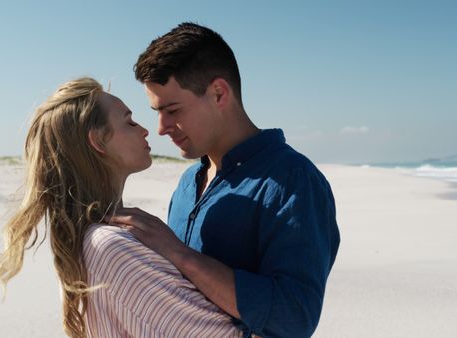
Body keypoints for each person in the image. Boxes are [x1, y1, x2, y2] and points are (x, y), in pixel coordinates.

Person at [110, 22, 341, 338]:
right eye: (156, 111)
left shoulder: (293, 180)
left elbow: (296, 316)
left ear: (219, 93)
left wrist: (180, 254)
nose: (161, 127)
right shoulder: (188, 183)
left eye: (172, 110)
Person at [0, 77, 243, 338]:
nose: (147, 130)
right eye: (130, 122)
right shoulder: (111, 246)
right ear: (98, 141)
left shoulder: (95, 237)